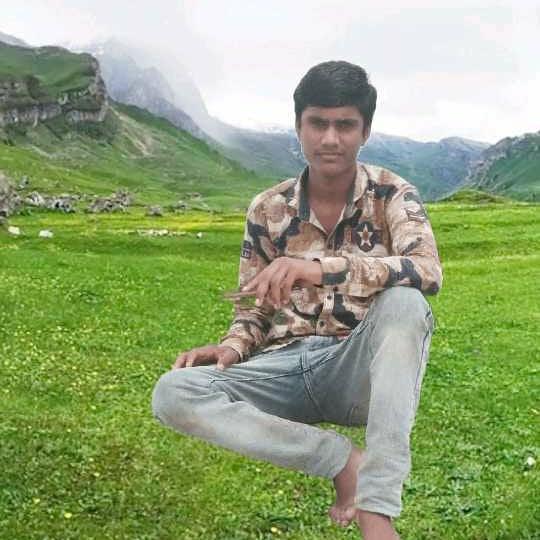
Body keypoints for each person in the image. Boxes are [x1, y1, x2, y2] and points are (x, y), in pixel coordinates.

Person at [151, 60, 442, 540]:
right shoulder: (267, 208)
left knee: (407, 304)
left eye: (345, 125)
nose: (330, 138)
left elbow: (427, 270)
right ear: (298, 126)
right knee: (173, 392)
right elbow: (254, 305)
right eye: (317, 123)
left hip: (357, 369)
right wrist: (232, 347)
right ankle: (341, 461)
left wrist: (321, 268)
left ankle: (376, 506)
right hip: (283, 367)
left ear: (365, 131)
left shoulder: (393, 194)